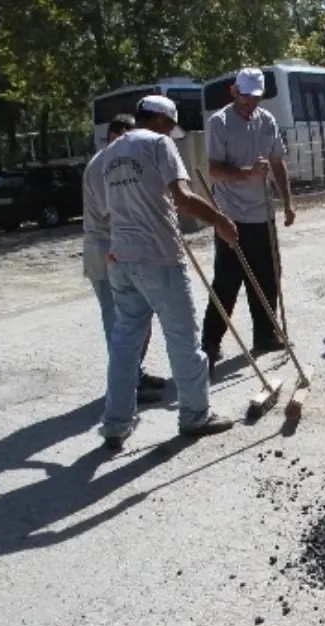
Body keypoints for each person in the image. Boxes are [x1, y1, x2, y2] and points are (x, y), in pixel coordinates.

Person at [97, 94, 241, 450]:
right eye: (170, 126)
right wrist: (221, 220)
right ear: (161, 120)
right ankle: (194, 415)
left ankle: (115, 424)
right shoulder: (159, 143)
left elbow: (107, 211)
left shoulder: (109, 154)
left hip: (121, 259)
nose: (171, 132)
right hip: (159, 258)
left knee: (125, 345)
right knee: (183, 340)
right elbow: (181, 195)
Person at [201, 67, 296, 371]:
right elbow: (214, 170)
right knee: (227, 282)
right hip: (231, 215)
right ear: (234, 91)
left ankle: (265, 335)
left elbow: (278, 163)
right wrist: (249, 174)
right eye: (244, 97)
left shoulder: (266, 121)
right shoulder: (219, 123)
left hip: (263, 213)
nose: (249, 103)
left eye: (255, 98)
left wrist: (288, 202)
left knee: (268, 278)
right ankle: (210, 343)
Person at [82, 113, 167, 405]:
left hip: (122, 250)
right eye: (129, 136)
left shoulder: (118, 163)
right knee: (120, 325)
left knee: (138, 319)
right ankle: (128, 387)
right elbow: (113, 212)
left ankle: (136, 375)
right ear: (115, 135)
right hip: (106, 252)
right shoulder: (101, 165)